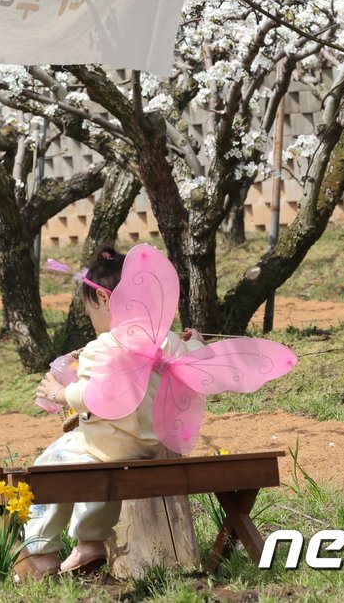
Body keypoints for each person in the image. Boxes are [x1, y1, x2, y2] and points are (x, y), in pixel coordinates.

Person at [17, 246, 204, 580]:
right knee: (100, 475)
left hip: (105, 443)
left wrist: (58, 394)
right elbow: (196, 364)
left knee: (46, 470)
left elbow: (91, 395)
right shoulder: (169, 341)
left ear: (104, 299)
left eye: (90, 308)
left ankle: (41, 550)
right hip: (150, 445)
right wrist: (197, 342)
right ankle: (90, 542)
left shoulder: (102, 347)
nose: (91, 317)